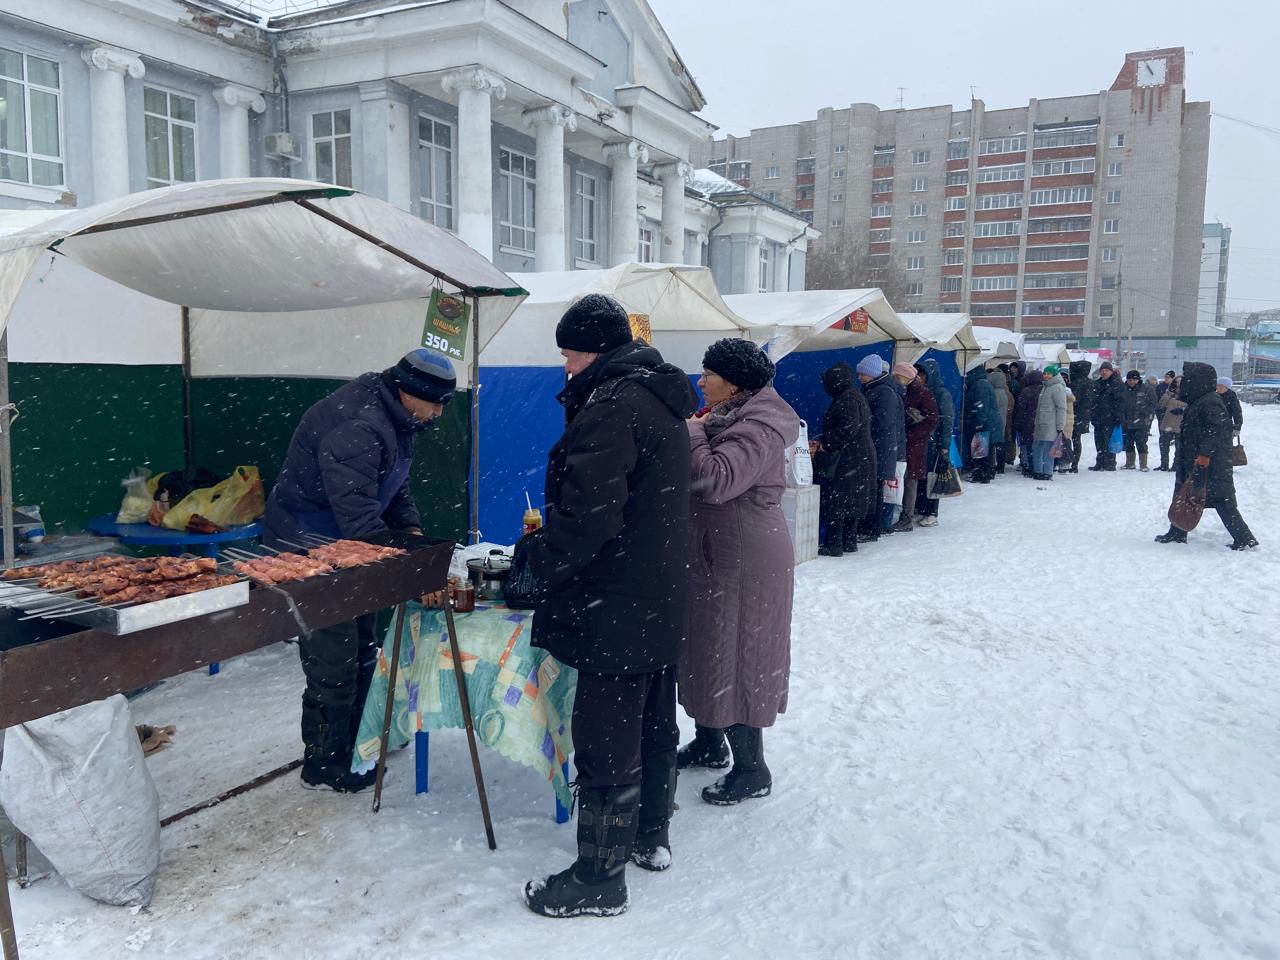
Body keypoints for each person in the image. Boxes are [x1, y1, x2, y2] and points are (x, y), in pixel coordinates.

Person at [518, 293, 699, 918]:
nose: (565, 366)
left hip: (617, 595)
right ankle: (650, 837)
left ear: (592, 349)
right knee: (651, 718)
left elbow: (589, 516)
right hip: (657, 589)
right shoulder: (654, 395)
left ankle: (599, 876)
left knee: (607, 729)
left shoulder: (614, 406)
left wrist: (534, 567)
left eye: (568, 354)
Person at [263, 349, 455, 793]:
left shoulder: (397, 416)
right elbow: (359, 517)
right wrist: (409, 563)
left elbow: (394, 482)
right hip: (307, 547)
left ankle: (361, 739)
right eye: (436, 403)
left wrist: (409, 528)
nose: (439, 413)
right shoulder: (359, 425)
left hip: (349, 548)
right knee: (334, 658)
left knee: (364, 646)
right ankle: (325, 762)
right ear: (410, 392)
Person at [677, 338, 800, 809]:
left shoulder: (760, 425)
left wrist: (690, 432)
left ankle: (752, 769)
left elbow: (716, 481)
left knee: (739, 655)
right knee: (708, 650)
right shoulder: (728, 417)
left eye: (708, 373)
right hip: (716, 554)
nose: (701, 380)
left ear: (734, 383)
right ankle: (710, 742)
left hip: (746, 561)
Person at [1155, 362, 1258, 550]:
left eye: (1188, 379)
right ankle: (1177, 532)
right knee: (1184, 494)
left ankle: (1244, 538)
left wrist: (1204, 455)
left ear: (1198, 381)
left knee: (1221, 500)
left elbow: (1215, 431)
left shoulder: (1210, 401)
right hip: (1195, 460)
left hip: (1209, 463)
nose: (1184, 383)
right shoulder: (1200, 399)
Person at [813, 362, 877, 556]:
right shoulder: (855, 396)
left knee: (837, 501)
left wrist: (826, 443)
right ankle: (849, 541)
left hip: (849, 458)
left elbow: (847, 429)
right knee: (852, 501)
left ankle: (835, 544)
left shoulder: (847, 399)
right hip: (859, 456)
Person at [856, 355, 903, 541]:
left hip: (879, 449)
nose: (860, 377)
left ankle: (871, 529)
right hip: (878, 448)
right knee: (872, 490)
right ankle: (869, 527)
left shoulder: (884, 392)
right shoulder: (876, 389)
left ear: (873, 374)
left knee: (874, 491)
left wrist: (862, 425)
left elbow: (882, 421)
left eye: (863, 374)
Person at [892, 362, 938, 532]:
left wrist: (911, 434)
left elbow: (933, 419)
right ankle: (903, 514)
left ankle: (907, 517)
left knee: (910, 480)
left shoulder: (922, 393)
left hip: (914, 445)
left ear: (908, 377)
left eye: (898, 376)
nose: (895, 379)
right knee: (903, 478)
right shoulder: (903, 391)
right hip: (905, 443)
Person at [915, 358, 953, 527]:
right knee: (922, 477)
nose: (920, 378)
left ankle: (932, 512)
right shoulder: (919, 392)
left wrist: (944, 446)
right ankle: (922, 509)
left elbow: (946, 421)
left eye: (922, 375)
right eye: (918, 374)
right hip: (921, 441)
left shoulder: (942, 394)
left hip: (934, 442)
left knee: (933, 477)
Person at [963, 363, 999, 484]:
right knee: (983, 450)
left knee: (980, 450)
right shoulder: (983, 383)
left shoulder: (980, 385)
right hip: (987, 422)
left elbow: (981, 405)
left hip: (983, 423)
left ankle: (981, 474)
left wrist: (979, 421)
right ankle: (984, 473)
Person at [1032, 364, 1068, 481]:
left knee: (1048, 450)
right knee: (1038, 448)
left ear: (1054, 375)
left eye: (1049, 373)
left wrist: (1060, 426)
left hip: (1050, 424)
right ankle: (1038, 470)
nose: (1046, 375)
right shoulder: (1045, 387)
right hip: (1041, 424)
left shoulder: (1057, 387)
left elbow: (1061, 408)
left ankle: (1046, 472)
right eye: (1045, 373)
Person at [1089, 361, 1125, 471]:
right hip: (1099, 417)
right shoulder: (1097, 383)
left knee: (1109, 441)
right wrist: (1093, 415)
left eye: (1106, 370)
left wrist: (1117, 416)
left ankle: (1109, 463)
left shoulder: (1117, 384)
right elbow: (1093, 400)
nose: (1104, 372)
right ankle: (1099, 462)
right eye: (1102, 370)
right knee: (1099, 441)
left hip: (1110, 418)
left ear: (1111, 371)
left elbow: (1121, 401)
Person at [1121, 369, 1158, 471]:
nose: (1132, 382)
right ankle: (1130, 463)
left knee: (1141, 443)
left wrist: (1144, 412)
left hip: (1142, 422)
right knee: (1128, 443)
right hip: (1127, 422)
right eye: (1129, 380)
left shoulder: (1147, 389)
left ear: (1138, 380)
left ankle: (1143, 464)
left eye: (1134, 380)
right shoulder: (1123, 389)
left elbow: (1154, 404)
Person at [1013, 368, 1045, 477]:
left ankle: (1031, 467)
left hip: (1028, 422)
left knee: (1029, 446)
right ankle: (1040, 467)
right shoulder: (1044, 390)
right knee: (1040, 446)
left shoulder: (1026, 391)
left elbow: (1021, 408)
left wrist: (1018, 423)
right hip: (1041, 421)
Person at [1067, 359, 1093, 473]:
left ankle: (1072, 462)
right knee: (1077, 440)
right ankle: (1075, 462)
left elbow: (1074, 399)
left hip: (1074, 414)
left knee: (1071, 439)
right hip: (1084, 415)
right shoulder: (1090, 382)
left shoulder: (1077, 382)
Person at [1157, 375, 1187, 471]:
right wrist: (1169, 392)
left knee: (1179, 447)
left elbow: (1193, 407)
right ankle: (1163, 464)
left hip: (1181, 425)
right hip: (1167, 423)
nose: (1178, 384)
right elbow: (1161, 404)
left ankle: (1176, 465)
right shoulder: (1170, 393)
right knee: (1163, 445)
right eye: (1176, 382)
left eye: (1180, 382)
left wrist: (1182, 410)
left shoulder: (1189, 394)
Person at [986, 365, 1010, 475]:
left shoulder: (995, 393)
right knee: (1000, 443)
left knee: (993, 444)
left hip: (994, 421)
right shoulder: (1004, 392)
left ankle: (995, 466)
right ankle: (1001, 466)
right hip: (1002, 419)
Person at [1057, 367, 1075, 474]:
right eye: (1061, 376)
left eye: (1065, 377)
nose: (1063, 379)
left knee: (1065, 442)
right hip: (1064, 419)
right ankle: (1064, 462)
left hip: (1067, 420)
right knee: (1062, 442)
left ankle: (1065, 462)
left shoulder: (1068, 391)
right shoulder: (1061, 389)